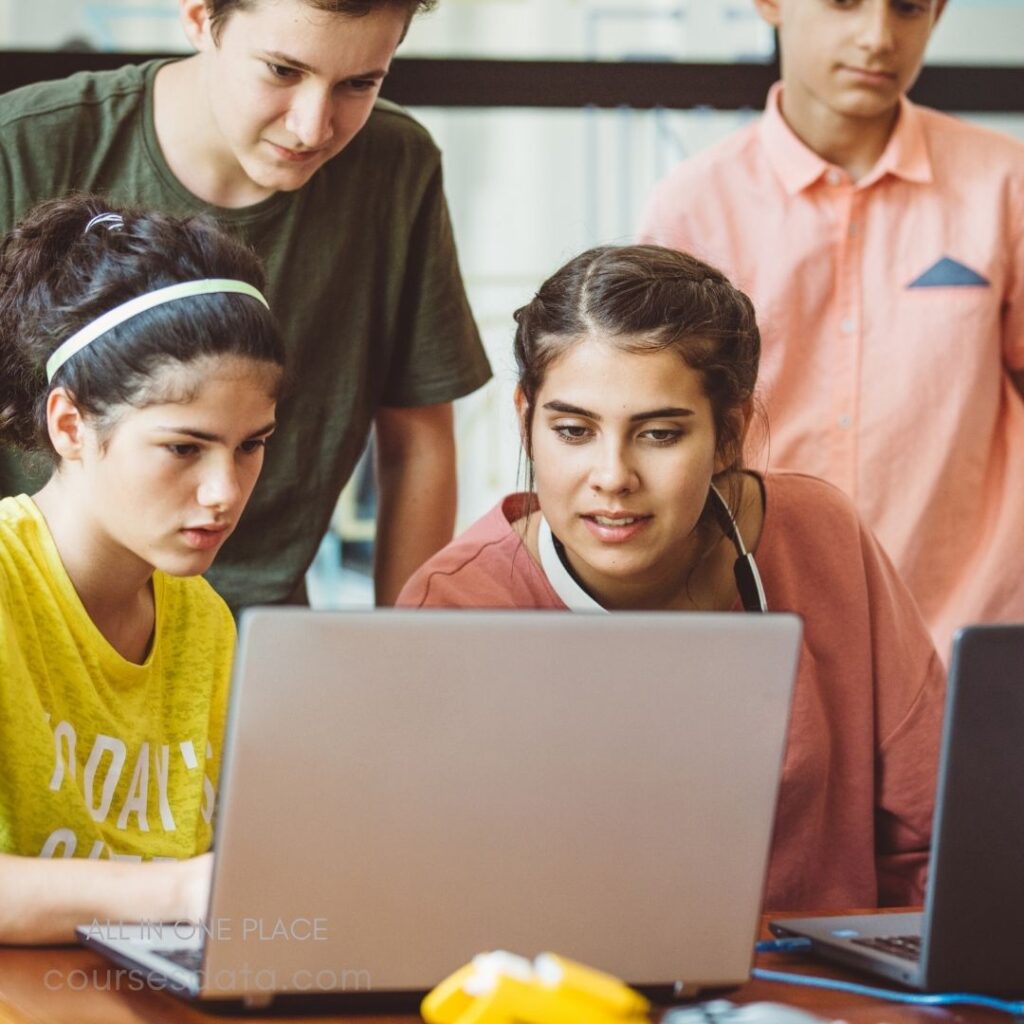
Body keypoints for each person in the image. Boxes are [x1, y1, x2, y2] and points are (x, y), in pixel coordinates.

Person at [398, 244, 945, 912]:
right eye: (573, 430)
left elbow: (938, 837)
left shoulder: (820, 536)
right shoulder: (454, 606)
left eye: (658, 435)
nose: (612, 477)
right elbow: (438, 899)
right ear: (525, 422)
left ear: (729, 434)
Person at [0, 0, 491, 609]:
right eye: (282, 71)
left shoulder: (396, 165)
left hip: (263, 630)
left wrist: (400, 658)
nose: (313, 127)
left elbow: (417, 441)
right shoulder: (23, 146)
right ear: (200, 17)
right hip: (36, 614)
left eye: (358, 84)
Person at [638, 0, 1024, 663]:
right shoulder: (694, 206)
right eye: (845, 2)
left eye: (906, 8)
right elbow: (657, 434)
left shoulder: (1005, 183)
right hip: (762, 631)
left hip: (976, 627)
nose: (878, 37)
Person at [0, 194, 285, 944]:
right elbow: (195, 886)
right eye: (184, 448)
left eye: (251, 445)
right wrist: (182, 889)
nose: (225, 492)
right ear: (70, 426)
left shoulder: (202, 621)